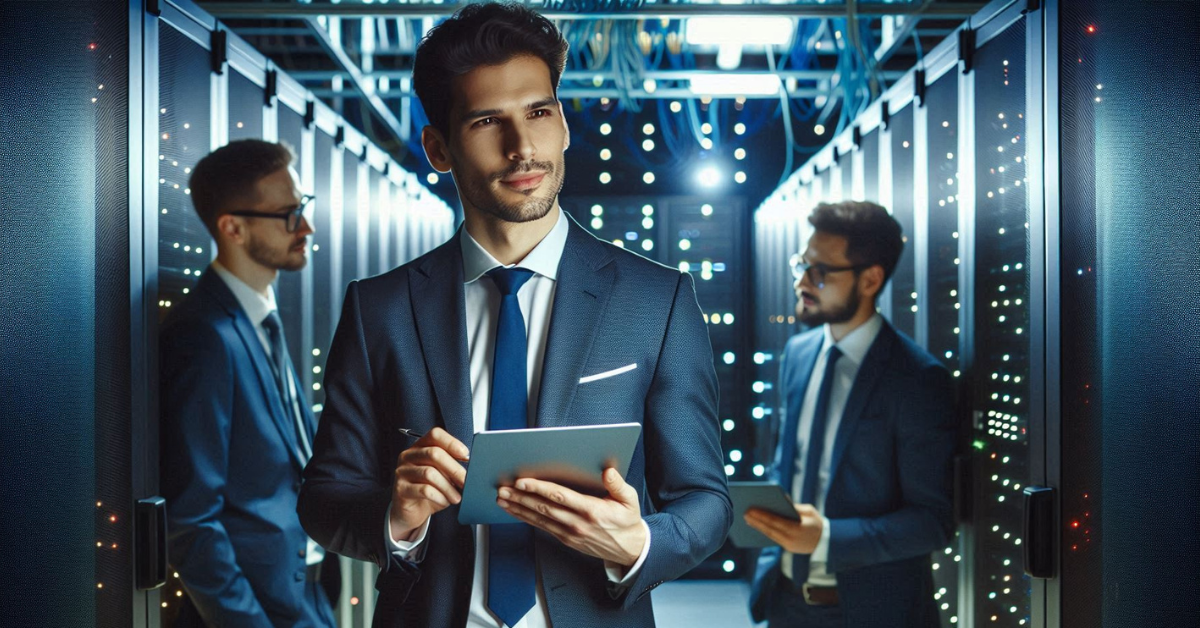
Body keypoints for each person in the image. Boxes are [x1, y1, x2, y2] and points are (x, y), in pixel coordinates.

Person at [296, 3, 731, 627]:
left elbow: (705, 502)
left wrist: (638, 544)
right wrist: (397, 518)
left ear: (563, 125)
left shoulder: (657, 300)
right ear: (439, 148)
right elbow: (324, 498)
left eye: (538, 112)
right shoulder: (379, 308)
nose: (523, 147)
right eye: (486, 121)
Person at [745, 201, 957, 627]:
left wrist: (825, 538)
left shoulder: (916, 378)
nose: (803, 281)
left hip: (868, 612)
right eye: (802, 264)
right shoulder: (799, 353)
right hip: (785, 602)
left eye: (821, 271)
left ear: (871, 279)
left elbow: (933, 522)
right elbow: (789, 463)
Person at [160, 139, 338, 627]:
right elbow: (192, 522)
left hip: (305, 597)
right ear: (233, 228)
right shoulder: (204, 338)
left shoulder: (262, 322)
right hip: (260, 610)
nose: (306, 227)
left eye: (303, 208)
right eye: (287, 215)